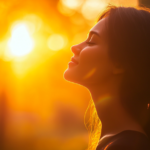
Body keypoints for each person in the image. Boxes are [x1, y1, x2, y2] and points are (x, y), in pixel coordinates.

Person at [64, 5, 150, 150]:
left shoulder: (125, 146)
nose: (75, 47)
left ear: (120, 63)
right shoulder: (120, 141)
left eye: (91, 41)